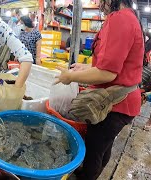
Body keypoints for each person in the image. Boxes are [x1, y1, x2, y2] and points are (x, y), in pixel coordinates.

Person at [55, 0, 144, 179]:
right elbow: (116, 66)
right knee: (103, 147)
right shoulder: (129, 18)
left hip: (114, 104)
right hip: (123, 102)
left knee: (93, 151)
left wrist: (70, 77)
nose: (98, 3)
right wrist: (85, 68)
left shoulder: (121, 19)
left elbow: (107, 73)